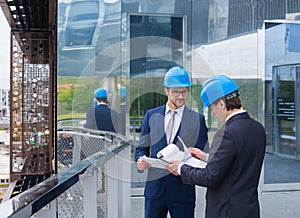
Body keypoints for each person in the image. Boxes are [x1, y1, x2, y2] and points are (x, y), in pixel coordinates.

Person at [165, 75, 266, 218]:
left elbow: (209, 177)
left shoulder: (227, 133)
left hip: (226, 211)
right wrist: (206, 157)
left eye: (211, 107)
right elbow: (238, 162)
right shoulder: (257, 129)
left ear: (222, 103)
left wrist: (181, 168)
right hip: (248, 209)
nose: (212, 113)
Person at [135, 66, 208, 218]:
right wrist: (140, 162)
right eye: (176, 92)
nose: (180, 97)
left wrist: (185, 165)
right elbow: (141, 148)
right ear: (166, 91)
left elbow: (200, 157)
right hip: (155, 190)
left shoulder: (197, 120)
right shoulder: (151, 115)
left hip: (182, 191)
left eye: (184, 91)